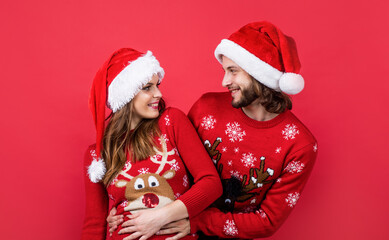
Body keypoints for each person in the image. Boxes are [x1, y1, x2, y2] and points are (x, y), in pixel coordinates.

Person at [108, 21, 318, 239]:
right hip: (170, 230)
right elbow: (165, 163)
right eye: (225, 71)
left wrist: (196, 221)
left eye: (233, 71)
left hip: (198, 228)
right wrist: (123, 204)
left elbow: (267, 221)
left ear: (260, 74)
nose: (225, 81)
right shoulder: (206, 108)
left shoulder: (300, 145)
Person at [82, 48, 222, 240]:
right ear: (126, 95)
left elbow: (211, 184)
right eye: (148, 87)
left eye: (158, 85)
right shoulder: (97, 155)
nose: (158, 94)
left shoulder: (171, 122)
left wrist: (160, 217)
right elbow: (94, 224)